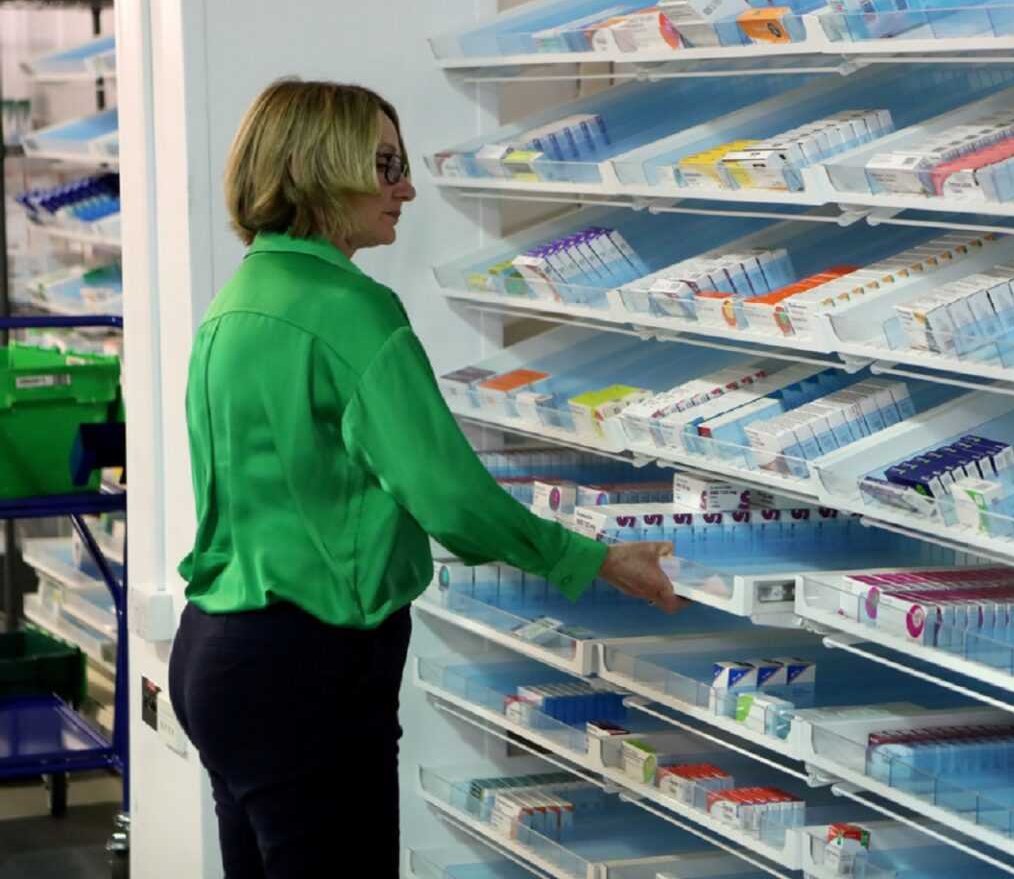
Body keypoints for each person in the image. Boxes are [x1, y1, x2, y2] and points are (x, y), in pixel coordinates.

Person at [167, 78, 685, 878]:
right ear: (318, 168)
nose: (405, 188)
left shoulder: (236, 300)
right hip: (308, 667)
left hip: (219, 655)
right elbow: (450, 499)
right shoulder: (350, 309)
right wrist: (593, 558)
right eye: (384, 165)